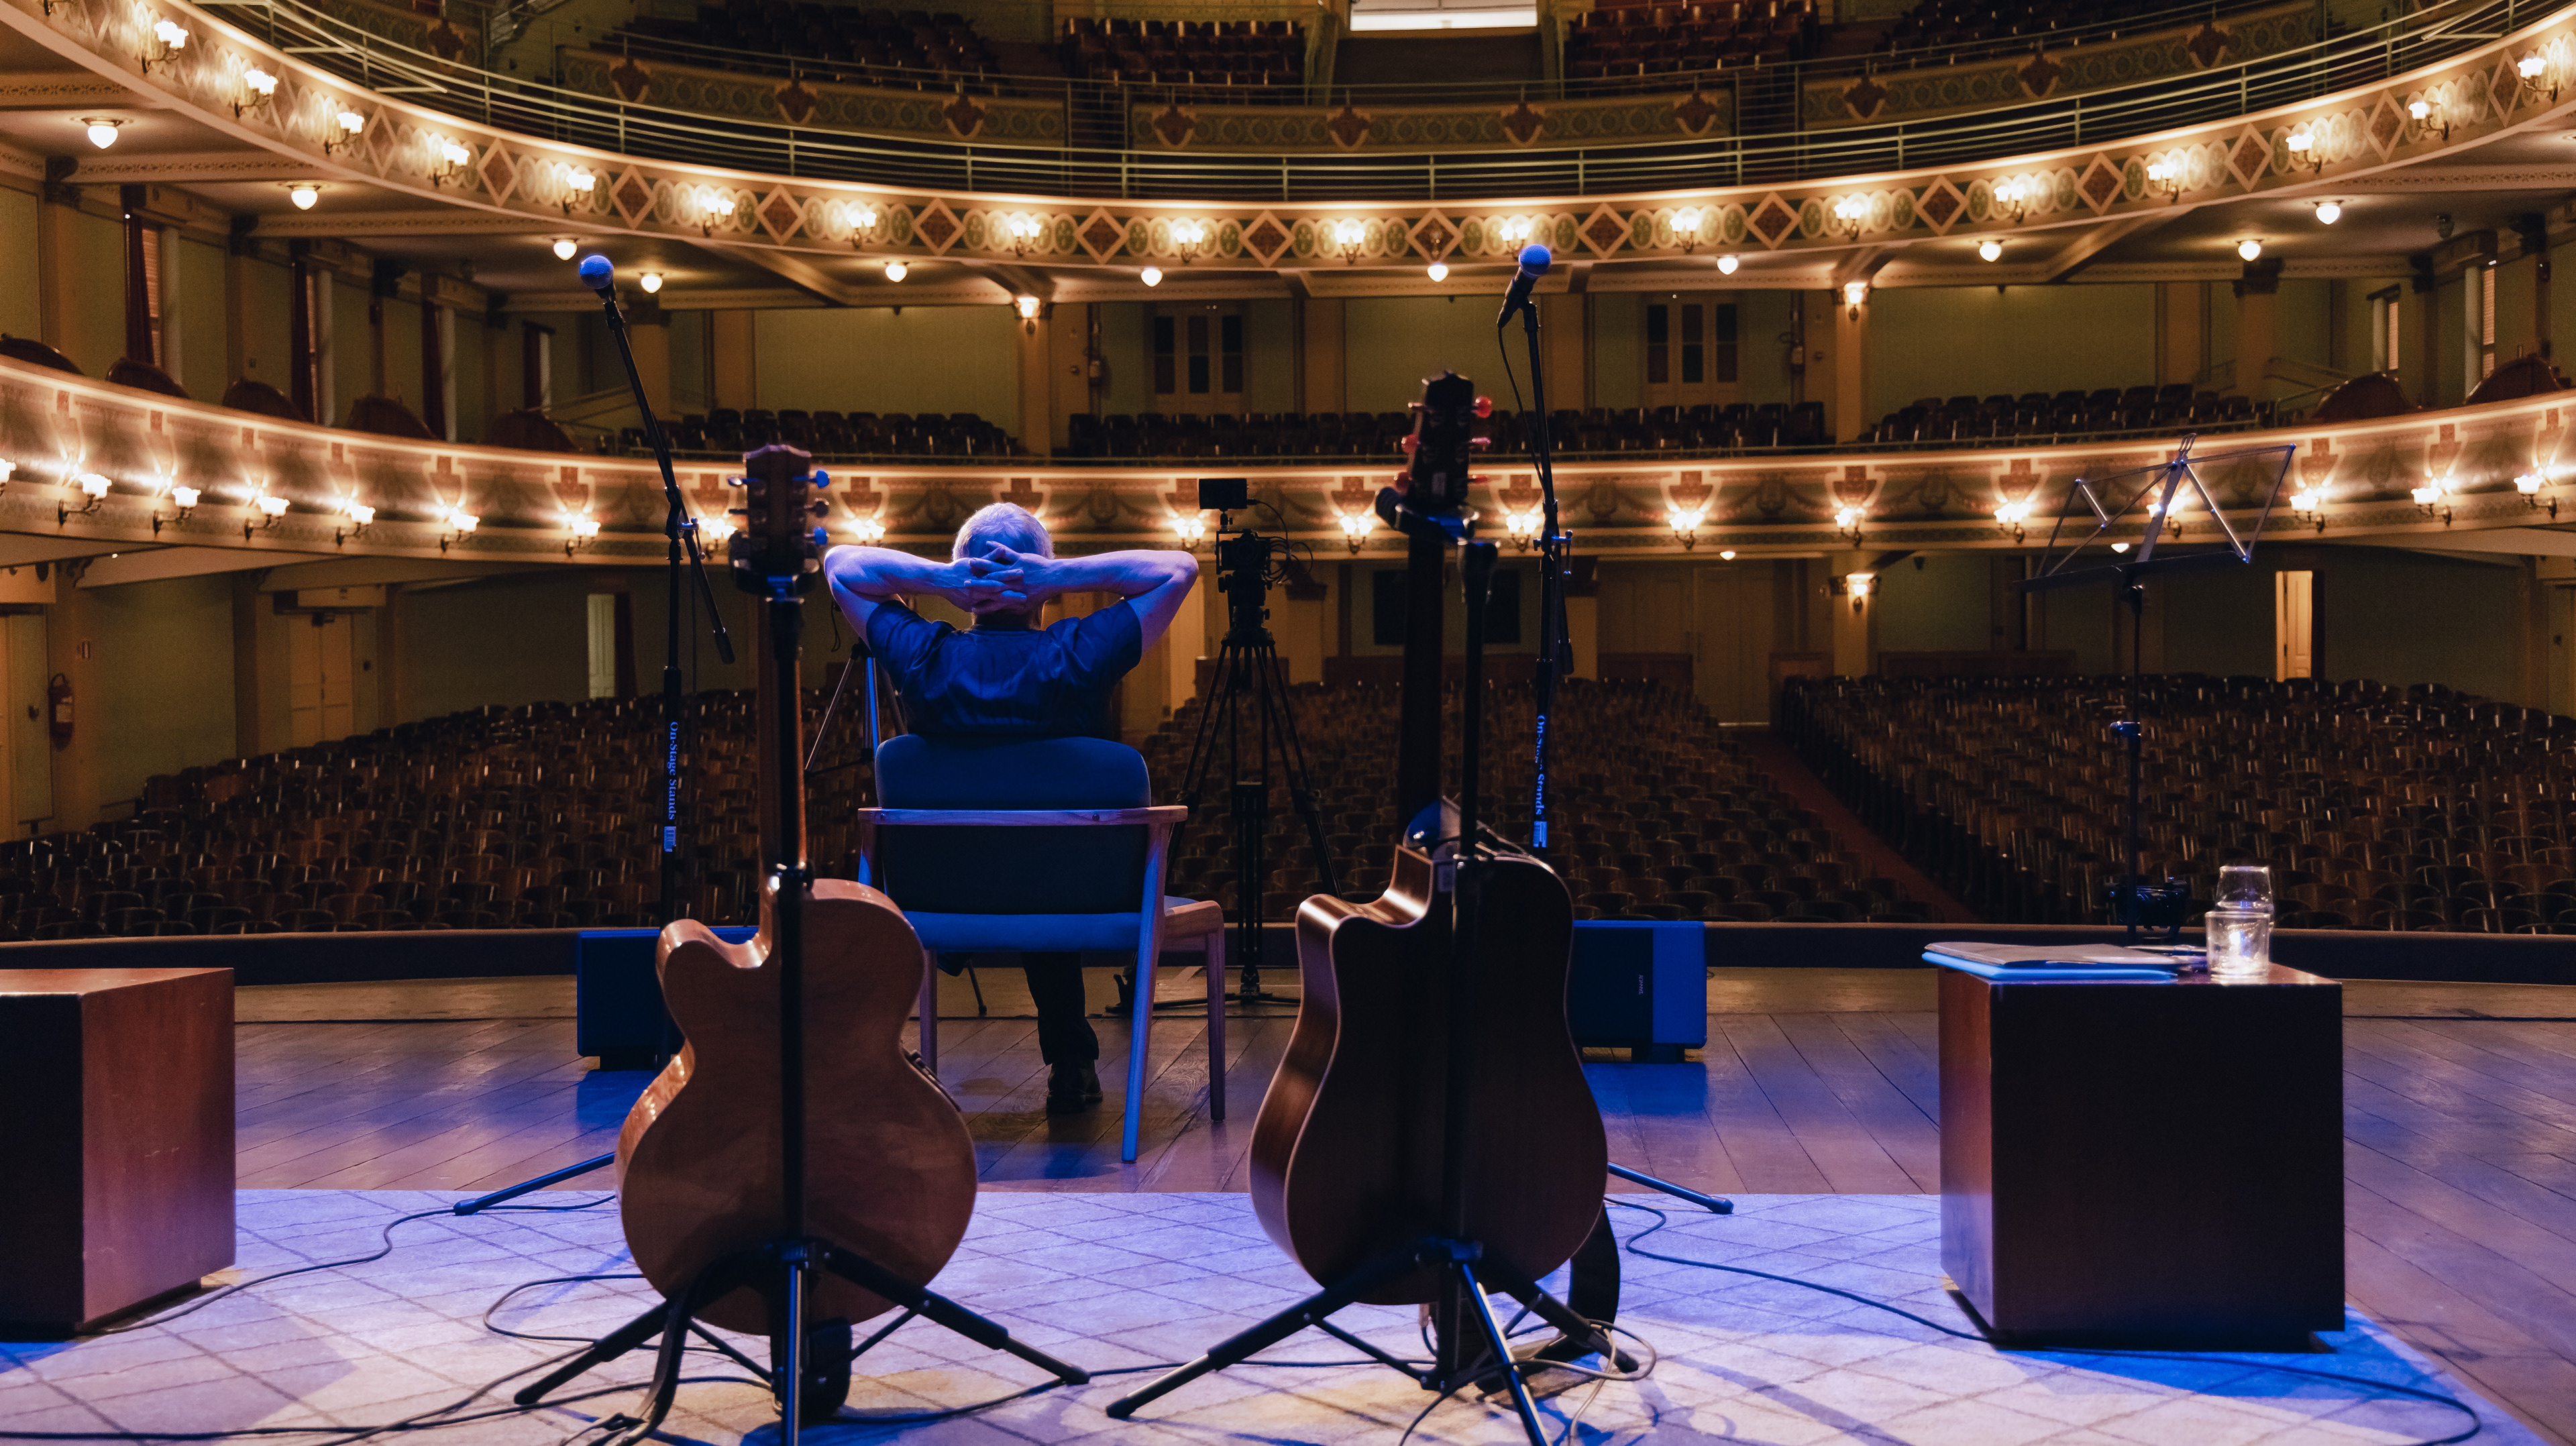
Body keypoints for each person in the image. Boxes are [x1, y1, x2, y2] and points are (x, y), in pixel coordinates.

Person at [825, 503, 1198, 1113]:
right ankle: (1071, 1061)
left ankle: (1009, 1024)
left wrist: (946, 579)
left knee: (1011, 858)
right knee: (1040, 859)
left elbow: (840, 565)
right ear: (1038, 586)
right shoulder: (1079, 653)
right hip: (1074, 890)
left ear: (967, 588)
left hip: (946, 891)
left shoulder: (924, 656)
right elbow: (1178, 569)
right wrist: (1056, 576)